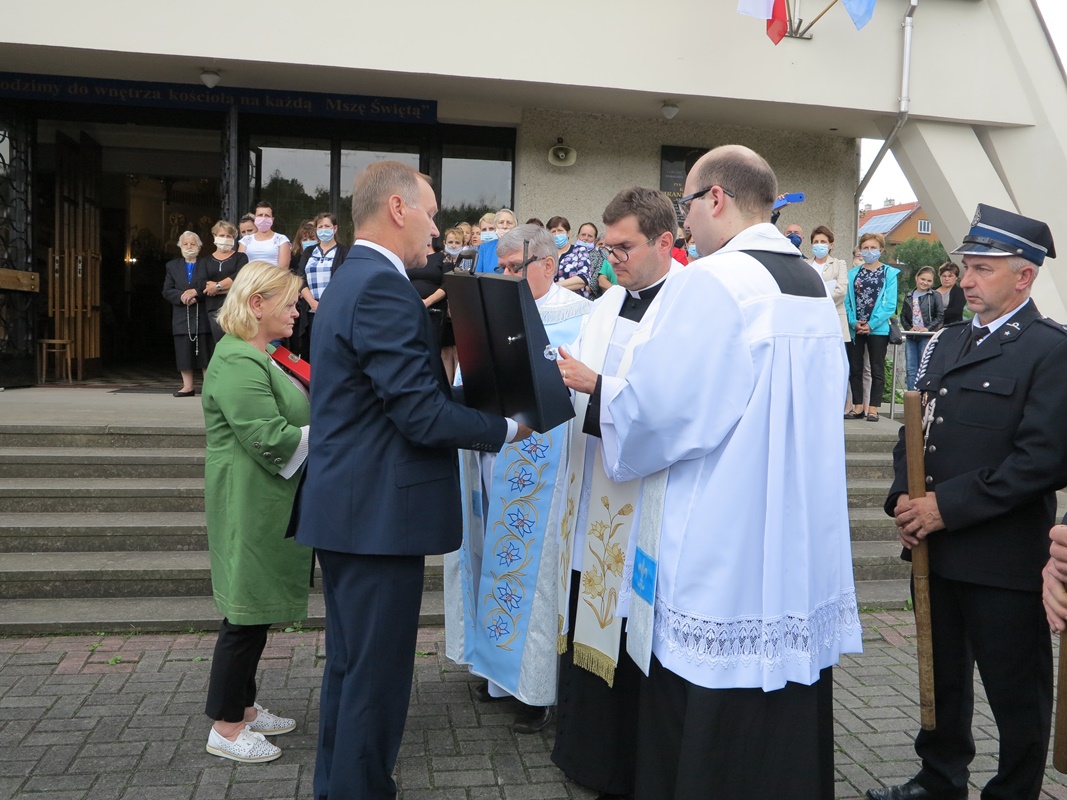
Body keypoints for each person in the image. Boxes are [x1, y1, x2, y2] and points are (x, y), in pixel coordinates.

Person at [558, 146, 861, 799]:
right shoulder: (810, 283)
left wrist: (607, 399)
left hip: (719, 531)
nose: (686, 223)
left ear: (715, 198)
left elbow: (662, 411)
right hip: (793, 531)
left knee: (703, 682)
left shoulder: (714, 280)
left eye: (688, 204)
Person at [295, 161, 530, 800]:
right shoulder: (381, 286)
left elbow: (396, 395)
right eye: (429, 213)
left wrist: (475, 397)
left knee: (352, 671)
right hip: (374, 518)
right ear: (398, 208)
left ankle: (340, 786)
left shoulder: (356, 277)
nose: (435, 229)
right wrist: (506, 428)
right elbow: (419, 414)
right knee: (375, 680)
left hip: (354, 511)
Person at [868, 204, 1067, 800]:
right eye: (967, 267)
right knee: (941, 677)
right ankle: (939, 779)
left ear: (1024, 276)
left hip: (1003, 558)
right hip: (935, 549)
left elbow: (1042, 460)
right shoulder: (947, 341)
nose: (968, 280)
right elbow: (914, 429)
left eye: (982, 269)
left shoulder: (1050, 350)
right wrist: (904, 500)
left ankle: (1014, 791)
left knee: (1015, 690)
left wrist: (943, 507)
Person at [552, 186, 683, 800]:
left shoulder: (686, 306)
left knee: (629, 617)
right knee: (587, 601)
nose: (612, 260)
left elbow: (674, 407)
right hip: (592, 488)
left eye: (624, 247)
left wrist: (597, 385)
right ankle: (585, 753)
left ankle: (626, 766)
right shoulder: (607, 301)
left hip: (644, 496)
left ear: (665, 242)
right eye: (607, 248)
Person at [444, 223, 590, 733]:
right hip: (488, 457)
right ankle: (494, 672)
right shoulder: (491, 310)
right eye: (500, 267)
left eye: (514, 267)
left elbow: (584, 391)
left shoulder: (581, 318)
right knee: (486, 557)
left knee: (532, 571)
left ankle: (534, 687)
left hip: (543, 469)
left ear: (548, 265)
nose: (504, 276)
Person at [200, 261, 313, 764]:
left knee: (254, 610)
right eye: (289, 303)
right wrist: (336, 435)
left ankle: (243, 708)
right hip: (247, 499)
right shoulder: (237, 360)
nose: (296, 311)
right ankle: (226, 728)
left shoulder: (260, 353)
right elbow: (268, 435)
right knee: (244, 615)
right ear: (256, 303)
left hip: (263, 496)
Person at [845, 232, 900, 421]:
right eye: (865, 248)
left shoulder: (889, 273)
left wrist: (871, 323)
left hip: (878, 328)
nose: (869, 251)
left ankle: (873, 408)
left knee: (877, 368)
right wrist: (853, 322)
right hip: (856, 327)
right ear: (860, 250)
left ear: (881, 250)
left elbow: (890, 304)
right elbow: (847, 302)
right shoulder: (852, 274)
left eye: (873, 248)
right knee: (855, 367)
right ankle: (858, 406)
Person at [162, 231, 212, 397]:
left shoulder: (207, 263)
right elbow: (167, 290)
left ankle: (209, 387)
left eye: (192, 243)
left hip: (202, 312)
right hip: (182, 314)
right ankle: (188, 386)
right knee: (184, 351)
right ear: (180, 247)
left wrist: (196, 293)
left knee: (205, 352)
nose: (189, 247)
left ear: (199, 246)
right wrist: (182, 296)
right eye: (185, 244)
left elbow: (210, 285)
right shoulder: (172, 266)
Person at [294, 212, 349, 360]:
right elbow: (300, 278)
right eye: (320, 227)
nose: (323, 230)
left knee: (332, 353)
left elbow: (346, 281)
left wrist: (327, 305)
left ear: (335, 228)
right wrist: (312, 302)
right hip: (311, 311)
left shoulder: (344, 252)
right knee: (310, 352)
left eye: (327, 226)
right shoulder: (309, 252)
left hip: (334, 312)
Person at [199, 220, 248, 344]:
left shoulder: (241, 258)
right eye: (222, 235)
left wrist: (217, 286)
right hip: (214, 309)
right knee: (221, 343)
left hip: (236, 307)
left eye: (229, 236)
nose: (225, 239)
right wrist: (229, 287)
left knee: (237, 343)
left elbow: (240, 278)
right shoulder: (205, 261)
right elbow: (202, 284)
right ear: (215, 237)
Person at [899, 266, 944, 390]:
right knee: (910, 368)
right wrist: (909, 328)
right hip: (911, 336)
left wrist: (928, 328)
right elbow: (903, 316)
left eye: (929, 281)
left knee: (923, 367)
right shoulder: (909, 295)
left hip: (926, 336)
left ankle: (922, 395)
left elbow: (940, 316)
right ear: (916, 278)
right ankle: (912, 396)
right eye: (923, 279)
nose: (925, 283)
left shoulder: (935, 295)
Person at [810, 225, 849, 339]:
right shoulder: (805, 264)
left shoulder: (839, 264)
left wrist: (820, 300)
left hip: (833, 317)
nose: (819, 244)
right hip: (811, 318)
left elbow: (841, 291)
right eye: (816, 242)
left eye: (823, 242)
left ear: (831, 245)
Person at [549, 215, 594, 297]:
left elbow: (583, 279)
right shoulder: (545, 254)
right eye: (553, 231)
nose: (556, 234)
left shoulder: (580, 250)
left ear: (568, 233)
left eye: (560, 230)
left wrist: (553, 287)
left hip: (575, 301)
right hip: (551, 301)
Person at [239, 201, 291, 269]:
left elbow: (283, 267)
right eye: (260, 215)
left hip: (273, 275)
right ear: (255, 218)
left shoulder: (281, 240)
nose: (263, 218)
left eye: (267, 215)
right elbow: (240, 266)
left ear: (272, 219)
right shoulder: (245, 240)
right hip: (250, 275)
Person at [475, 209, 516, 273]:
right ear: (496, 226)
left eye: (509, 223)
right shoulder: (484, 248)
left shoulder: (522, 247)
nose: (505, 226)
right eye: (501, 222)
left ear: (515, 227)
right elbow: (477, 273)